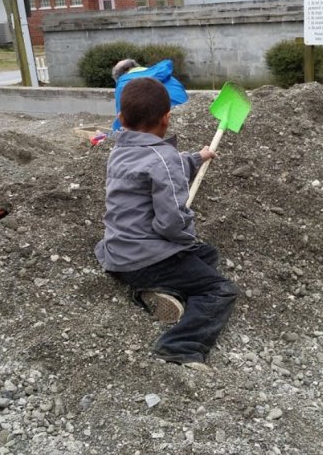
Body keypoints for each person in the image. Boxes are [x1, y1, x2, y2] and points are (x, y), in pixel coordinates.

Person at [95, 77, 239, 369]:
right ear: (167, 118)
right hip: (148, 260)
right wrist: (188, 234)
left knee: (207, 254)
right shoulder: (164, 159)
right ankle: (180, 346)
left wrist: (196, 158)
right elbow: (171, 223)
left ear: (121, 119)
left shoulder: (118, 152)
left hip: (117, 254)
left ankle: (156, 292)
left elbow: (161, 168)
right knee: (220, 289)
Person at [111, 58, 189, 132]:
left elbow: (124, 121)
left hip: (159, 128)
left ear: (119, 77)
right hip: (186, 119)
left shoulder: (123, 84)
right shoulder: (170, 77)